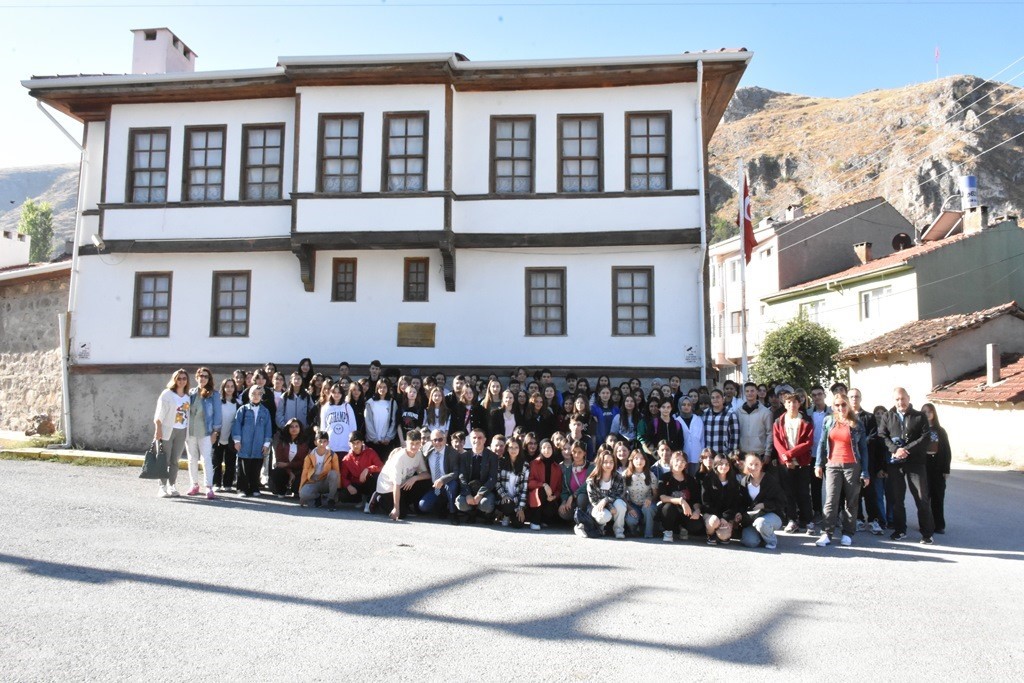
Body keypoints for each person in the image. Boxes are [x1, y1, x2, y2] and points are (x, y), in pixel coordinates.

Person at [878, 388, 936, 544]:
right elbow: (882, 436)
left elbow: (925, 437)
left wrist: (906, 450)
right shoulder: (887, 416)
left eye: (903, 398)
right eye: (897, 399)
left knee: (921, 498)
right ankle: (900, 530)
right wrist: (896, 450)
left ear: (908, 398)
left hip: (915, 463)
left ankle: (926, 533)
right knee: (897, 499)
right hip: (895, 464)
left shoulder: (919, 416)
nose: (900, 402)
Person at [813, 393, 870, 547]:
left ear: (848, 406)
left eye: (843, 405)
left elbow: (863, 449)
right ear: (833, 406)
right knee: (831, 500)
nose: (841, 408)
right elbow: (822, 443)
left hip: (852, 465)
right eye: (837, 405)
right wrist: (818, 464)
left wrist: (865, 472)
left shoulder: (856, 423)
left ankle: (847, 533)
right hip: (832, 465)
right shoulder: (828, 420)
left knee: (851, 501)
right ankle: (827, 533)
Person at [773, 391, 815, 533]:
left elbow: (808, 443)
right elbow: (777, 442)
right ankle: (792, 520)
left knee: (803, 492)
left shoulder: (806, 420)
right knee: (788, 493)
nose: (792, 405)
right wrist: (786, 458)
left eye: (794, 402)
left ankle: (808, 520)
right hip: (785, 464)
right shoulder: (779, 421)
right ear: (784, 404)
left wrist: (790, 454)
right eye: (788, 402)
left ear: (799, 403)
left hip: (802, 463)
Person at [373, 429, 432, 521]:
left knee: (426, 483)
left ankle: (413, 506)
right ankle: (378, 498)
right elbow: (396, 485)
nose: (414, 446)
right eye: (411, 443)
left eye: (417, 443)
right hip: (388, 488)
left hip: (403, 484)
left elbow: (427, 475)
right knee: (401, 514)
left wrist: (415, 478)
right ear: (406, 443)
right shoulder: (399, 458)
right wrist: (396, 508)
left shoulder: (419, 454)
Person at [849, 388, 884, 534]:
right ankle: (858, 520)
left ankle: (873, 520)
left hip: (867, 461)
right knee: (854, 493)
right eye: (851, 397)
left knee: (870, 493)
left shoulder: (868, 417)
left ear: (860, 398)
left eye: (856, 396)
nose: (854, 399)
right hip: (851, 462)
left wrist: (860, 442)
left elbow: (874, 437)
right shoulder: (844, 418)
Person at [153, 369, 191, 498]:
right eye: (179, 378)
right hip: (167, 430)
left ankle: (172, 485)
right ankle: (162, 486)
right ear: (174, 380)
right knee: (164, 459)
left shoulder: (187, 397)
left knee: (175, 460)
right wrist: (158, 429)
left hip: (182, 430)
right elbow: (159, 414)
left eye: (184, 378)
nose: (181, 381)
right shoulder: (167, 394)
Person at [184, 367, 220, 500]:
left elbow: (217, 414)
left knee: (206, 459)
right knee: (192, 459)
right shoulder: (190, 393)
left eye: (206, 376)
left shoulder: (214, 394)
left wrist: (216, 431)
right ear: (196, 377)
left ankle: (209, 486)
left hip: (206, 431)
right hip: (190, 431)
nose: (203, 378)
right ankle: (194, 484)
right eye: (201, 376)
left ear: (209, 379)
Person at [231, 385, 274, 497]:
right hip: (244, 444)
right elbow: (237, 425)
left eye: (259, 394)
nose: (256, 396)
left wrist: (266, 443)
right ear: (249, 395)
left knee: (256, 467)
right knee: (243, 467)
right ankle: (242, 488)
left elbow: (268, 428)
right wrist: (237, 441)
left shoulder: (265, 411)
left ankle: (254, 487)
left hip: (258, 445)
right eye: (253, 394)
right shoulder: (243, 410)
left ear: (262, 396)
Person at [738, 453, 786, 550]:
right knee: (750, 542)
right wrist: (739, 514)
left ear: (761, 464)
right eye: (750, 464)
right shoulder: (744, 481)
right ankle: (762, 534)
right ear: (746, 465)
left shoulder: (770, 480)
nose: (754, 467)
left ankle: (771, 541)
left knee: (761, 523)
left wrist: (764, 505)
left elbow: (782, 501)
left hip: (772, 515)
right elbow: (742, 502)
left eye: (757, 464)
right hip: (753, 518)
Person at [454, 428, 500, 522]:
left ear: (484, 440)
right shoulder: (464, 457)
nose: (477, 440)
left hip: (485, 491)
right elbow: (462, 477)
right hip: (469, 489)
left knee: (485, 504)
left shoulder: (492, 457)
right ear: (470, 439)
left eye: (480, 437)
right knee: (461, 503)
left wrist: (480, 494)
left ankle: (485, 513)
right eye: (474, 437)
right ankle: (472, 513)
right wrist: (467, 494)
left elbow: (492, 478)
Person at [658, 451, 703, 542]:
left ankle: (683, 528)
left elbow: (695, 500)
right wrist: (680, 501)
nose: (679, 463)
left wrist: (697, 511)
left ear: (686, 464)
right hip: (670, 511)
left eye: (683, 461)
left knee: (697, 524)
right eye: (677, 460)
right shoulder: (665, 477)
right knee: (668, 508)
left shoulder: (690, 479)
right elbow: (662, 497)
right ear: (671, 461)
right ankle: (668, 531)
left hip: (686, 512)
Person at [921, 403, 951, 535]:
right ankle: (926, 524)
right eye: (924, 412)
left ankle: (939, 525)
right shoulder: (919, 430)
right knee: (924, 496)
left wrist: (946, 469)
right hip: (923, 465)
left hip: (937, 465)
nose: (927, 414)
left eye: (930, 411)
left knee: (938, 496)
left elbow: (946, 451)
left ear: (934, 414)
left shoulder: (940, 431)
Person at [418, 429, 462, 519]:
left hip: (447, 485)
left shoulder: (452, 453)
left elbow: (456, 472)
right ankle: (441, 506)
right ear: (431, 441)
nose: (437, 442)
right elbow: (416, 451)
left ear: (445, 439)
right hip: (434, 487)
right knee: (423, 506)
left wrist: (442, 480)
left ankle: (453, 513)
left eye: (440, 439)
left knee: (452, 485)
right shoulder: (427, 450)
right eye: (434, 440)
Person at [585, 450, 628, 539]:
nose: (609, 465)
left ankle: (619, 530)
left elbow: (620, 494)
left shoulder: (619, 477)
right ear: (600, 463)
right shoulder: (592, 480)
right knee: (605, 516)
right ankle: (599, 528)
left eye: (611, 462)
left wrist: (606, 500)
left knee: (620, 504)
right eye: (605, 462)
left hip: (613, 504)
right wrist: (610, 507)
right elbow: (594, 500)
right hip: (597, 506)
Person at [702, 454, 743, 544]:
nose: (724, 466)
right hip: (711, 514)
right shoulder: (708, 480)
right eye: (721, 464)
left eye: (726, 464)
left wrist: (725, 517)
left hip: (726, 517)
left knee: (724, 536)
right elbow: (705, 503)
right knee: (714, 521)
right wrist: (719, 517)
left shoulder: (734, 482)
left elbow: (735, 503)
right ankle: (711, 534)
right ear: (715, 465)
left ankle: (721, 534)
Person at [339, 431, 383, 510]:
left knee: (376, 476)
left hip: (369, 482)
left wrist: (368, 469)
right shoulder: (346, 459)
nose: (355, 446)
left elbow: (381, 466)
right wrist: (348, 485)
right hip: (357, 484)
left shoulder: (370, 452)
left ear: (362, 442)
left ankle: (369, 501)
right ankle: (360, 500)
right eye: (353, 443)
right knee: (343, 495)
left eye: (358, 442)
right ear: (349, 444)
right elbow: (343, 476)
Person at [526, 439, 563, 530]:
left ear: (553, 449)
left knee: (550, 509)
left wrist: (554, 496)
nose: (546, 450)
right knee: (541, 490)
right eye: (544, 448)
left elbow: (559, 488)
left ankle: (543, 520)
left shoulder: (557, 467)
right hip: (535, 498)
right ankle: (535, 521)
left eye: (549, 447)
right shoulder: (534, 464)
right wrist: (543, 484)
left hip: (549, 499)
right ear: (540, 449)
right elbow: (529, 483)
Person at [299, 431, 340, 509]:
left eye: (324, 441)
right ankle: (317, 497)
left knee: (334, 474)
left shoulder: (333, 455)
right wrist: (301, 490)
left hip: (326, 482)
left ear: (328, 442)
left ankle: (331, 499)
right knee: (303, 494)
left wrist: (337, 490)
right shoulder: (309, 457)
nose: (322, 444)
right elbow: (304, 474)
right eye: (320, 441)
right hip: (313, 481)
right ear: (315, 442)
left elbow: (337, 472)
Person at [213, 378, 241, 492]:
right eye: (227, 386)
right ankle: (216, 483)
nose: (229, 389)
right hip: (219, 436)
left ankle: (228, 483)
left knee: (230, 462)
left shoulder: (238, 404)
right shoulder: (218, 402)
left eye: (232, 386)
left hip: (231, 437)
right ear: (223, 388)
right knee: (216, 462)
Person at [495, 437, 529, 528]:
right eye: (511, 447)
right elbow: (497, 482)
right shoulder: (500, 462)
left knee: (518, 524)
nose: (513, 450)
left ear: (520, 449)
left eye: (516, 447)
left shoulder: (525, 465)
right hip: (504, 499)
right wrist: (503, 495)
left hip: (516, 500)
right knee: (507, 504)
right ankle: (506, 515)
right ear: (507, 448)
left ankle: (512, 515)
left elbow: (524, 488)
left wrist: (521, 508)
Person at [737, 382, 774, 465]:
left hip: (760, 453)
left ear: (757, 392)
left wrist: (768, 453)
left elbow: (770, 433)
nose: (749, 393)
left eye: (752, 391)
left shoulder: (766, 412)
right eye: (747, 391)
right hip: (743, 453)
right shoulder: (738, 412)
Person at [624, 449, 657, 538]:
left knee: (648, 509)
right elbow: (621, 495)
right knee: (631, 520)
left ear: (645, 460)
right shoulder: (626, 475)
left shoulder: (651, 475)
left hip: (647, 503)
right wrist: (629, 508)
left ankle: (648, 534)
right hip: (633, 504)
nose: (639, 461)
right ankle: (634, 531)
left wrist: (650, 498)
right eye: (636, 458)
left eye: (642, 458)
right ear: (632, 460)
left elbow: (655, 493)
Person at [271, 418, 308, 497]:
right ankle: (282, 491)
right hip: (285, 470)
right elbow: (280, 461)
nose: (294, 428)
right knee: (277, 472)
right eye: (291, 426)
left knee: (299, 481)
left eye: (296, 426)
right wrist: (289, 472)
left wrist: (287, 465)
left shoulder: (304, 444)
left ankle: (295, 490)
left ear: (300, 428)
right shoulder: (282, 442)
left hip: (298, 471)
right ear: (288, 428)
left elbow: (302, 462)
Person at [559, 439, 592, 529]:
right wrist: (564, 501)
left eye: (579, 452)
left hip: (588, 500)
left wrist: (573, 495)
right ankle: (576, 520)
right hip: (573, 501)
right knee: (562, 512)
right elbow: (565, 489)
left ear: (584, 453)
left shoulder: (591, 467)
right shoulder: (568, 470)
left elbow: (587, 484)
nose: (576, 455)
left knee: (581, 497)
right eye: (574, 452)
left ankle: (583, 523)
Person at [321, 383, 358, 457]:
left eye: (339, 392)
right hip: (331, 445)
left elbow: (353, 425)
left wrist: (352, 441)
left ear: (342, 394)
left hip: (345, 444)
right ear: (331, 393)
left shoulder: (347, 406)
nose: (336, 395)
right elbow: (323, 427)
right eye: (334, 392)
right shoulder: (325, 407)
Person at [365, 379, 398, 456]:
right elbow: (368, 421)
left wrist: (388, 437)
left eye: (384, 387)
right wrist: (374, 438)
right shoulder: (370, 402)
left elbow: (394, 421)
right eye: (380, 387)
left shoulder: (392, 402)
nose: (382, 389)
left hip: (386, 442)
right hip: (373, 442)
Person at [702, 389, 739, 456]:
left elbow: (734, 437)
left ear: (723, 399)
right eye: (712, 398)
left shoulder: (730, 414)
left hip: (723, 454)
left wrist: (731, 454)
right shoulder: (705, 414)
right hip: (708, 455)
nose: (715, 399)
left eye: (717, 397)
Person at [675, 397, 704, 476]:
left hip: (697, 454)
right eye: (683, 405)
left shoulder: (698, 419)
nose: (686, 407)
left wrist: (702, 453)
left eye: (688, 404)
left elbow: (702, 438)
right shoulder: (676, 420)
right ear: (680, 406)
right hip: (683, 453)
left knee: (696, 477)